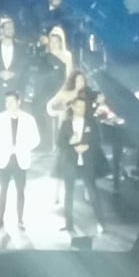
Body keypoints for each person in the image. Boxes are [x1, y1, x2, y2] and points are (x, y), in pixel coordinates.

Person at [0, 91, 40, 230]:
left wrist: (23, 146)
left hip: (20, 159)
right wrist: (3, 146)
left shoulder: (29, 119)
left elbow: (36, 139)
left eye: (12, 101)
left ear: (19, 102)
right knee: (2, 190)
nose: (9, 104)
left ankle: (20, 220)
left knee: (20, 191)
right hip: (4, 159)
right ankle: (0, 219)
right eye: (7, 102)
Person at [57, 97, 107, 234]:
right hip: (70, 162)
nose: (81, 110)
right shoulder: (66, 123)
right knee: (69, 193)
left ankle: (101, 222)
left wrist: (87, 147)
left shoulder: (91, 123)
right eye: (79, 107)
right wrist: (70, 143)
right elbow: (59, 143)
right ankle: (68, 224)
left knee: (93, 192)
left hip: (87, 162)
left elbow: (97, 141)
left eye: (83, 107)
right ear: (73, 107)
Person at [0, 17, 28, 113]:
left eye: (12, 28)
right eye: (8, 28)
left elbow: (25, 65)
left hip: (15, 88)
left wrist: (14, 73)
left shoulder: (21, 46)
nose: (11, 30)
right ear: (2, 30)